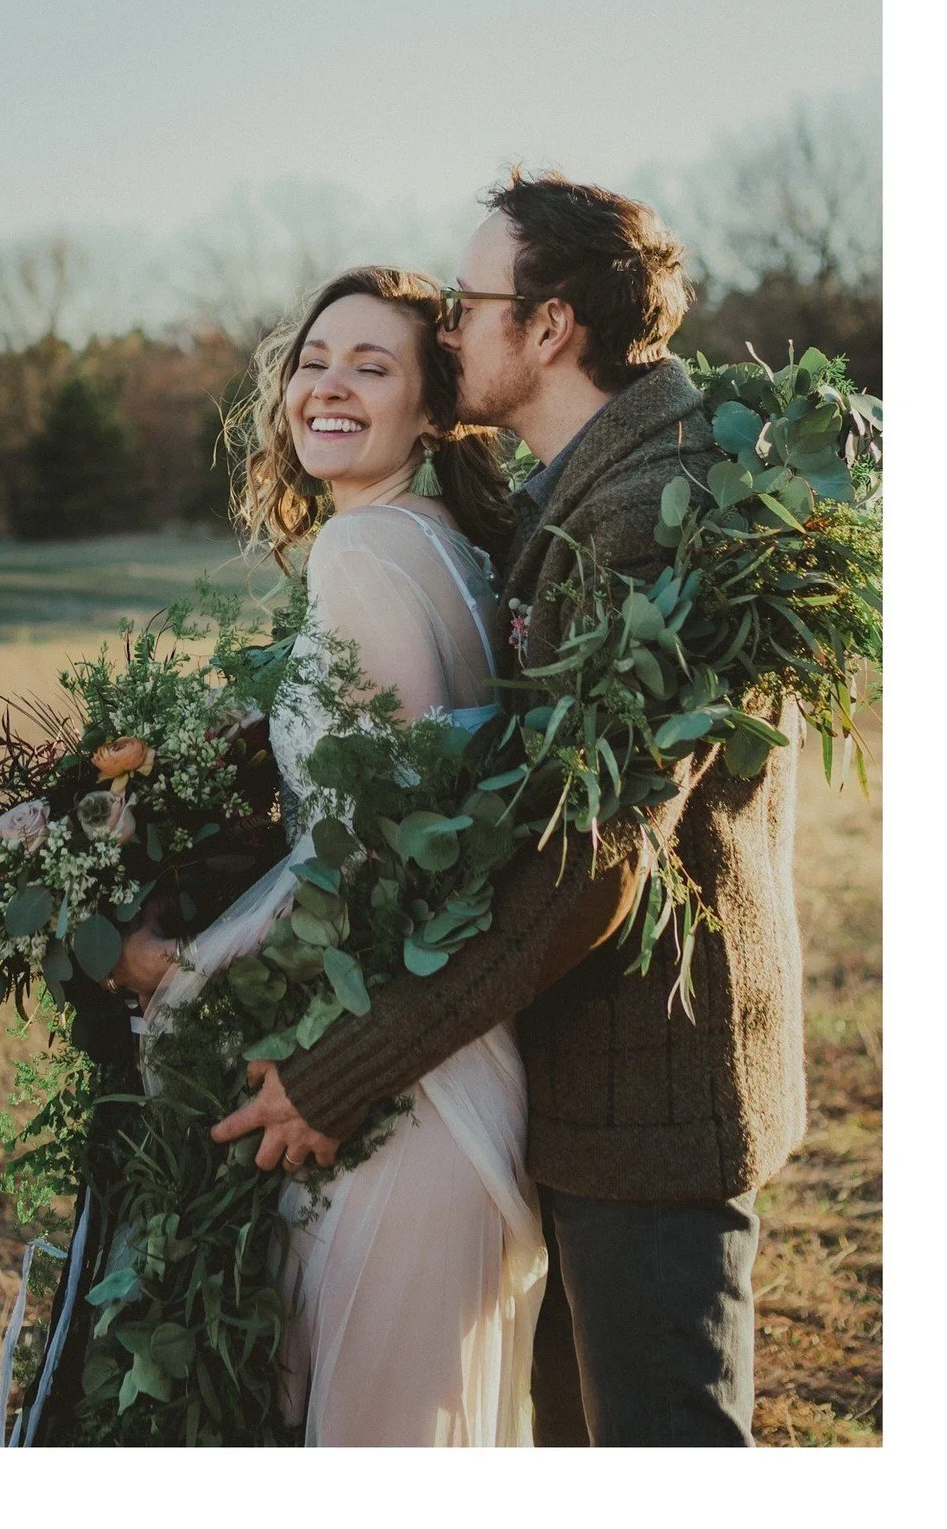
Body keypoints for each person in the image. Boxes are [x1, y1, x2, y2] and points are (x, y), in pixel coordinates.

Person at [215, 174, 808, 1447]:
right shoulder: (576, 493)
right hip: (567, 1078)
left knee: (662, 1445)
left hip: (651, 1082)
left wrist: (344, 1073)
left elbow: (591, 864)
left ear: (548, 329)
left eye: (471, 303)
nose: (449, 331)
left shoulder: (656, 511)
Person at [110, 266, 548, 1446]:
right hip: (431, 1040)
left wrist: (181, 971)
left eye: (372, 365)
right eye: (313, 359)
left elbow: (371, 858)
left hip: (396, 1080)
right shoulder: (445, 543)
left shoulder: (363, 557)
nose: (328, 386)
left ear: (432, 409)